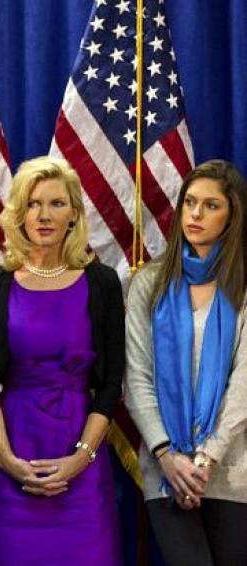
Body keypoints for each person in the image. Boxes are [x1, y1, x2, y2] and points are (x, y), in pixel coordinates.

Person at [0, 156, 123, 565]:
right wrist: (5, 458)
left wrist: (79, 459)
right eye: (33, 204)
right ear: (18, 213)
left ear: (74, 213)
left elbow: (110, 386)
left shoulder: (102, 282)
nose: (44, 215)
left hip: (82, 460)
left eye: (56, 203)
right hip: (12, 453)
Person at [125, 160, 247, 566]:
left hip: (231, 472)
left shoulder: (242, 285)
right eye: (189, 202)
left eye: (211, 206)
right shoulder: (150, 282)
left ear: (232, 216)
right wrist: (166, 456)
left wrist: (205, 459)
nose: (195, 214)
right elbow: (137, 378)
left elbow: (243, 383)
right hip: (165, 471)